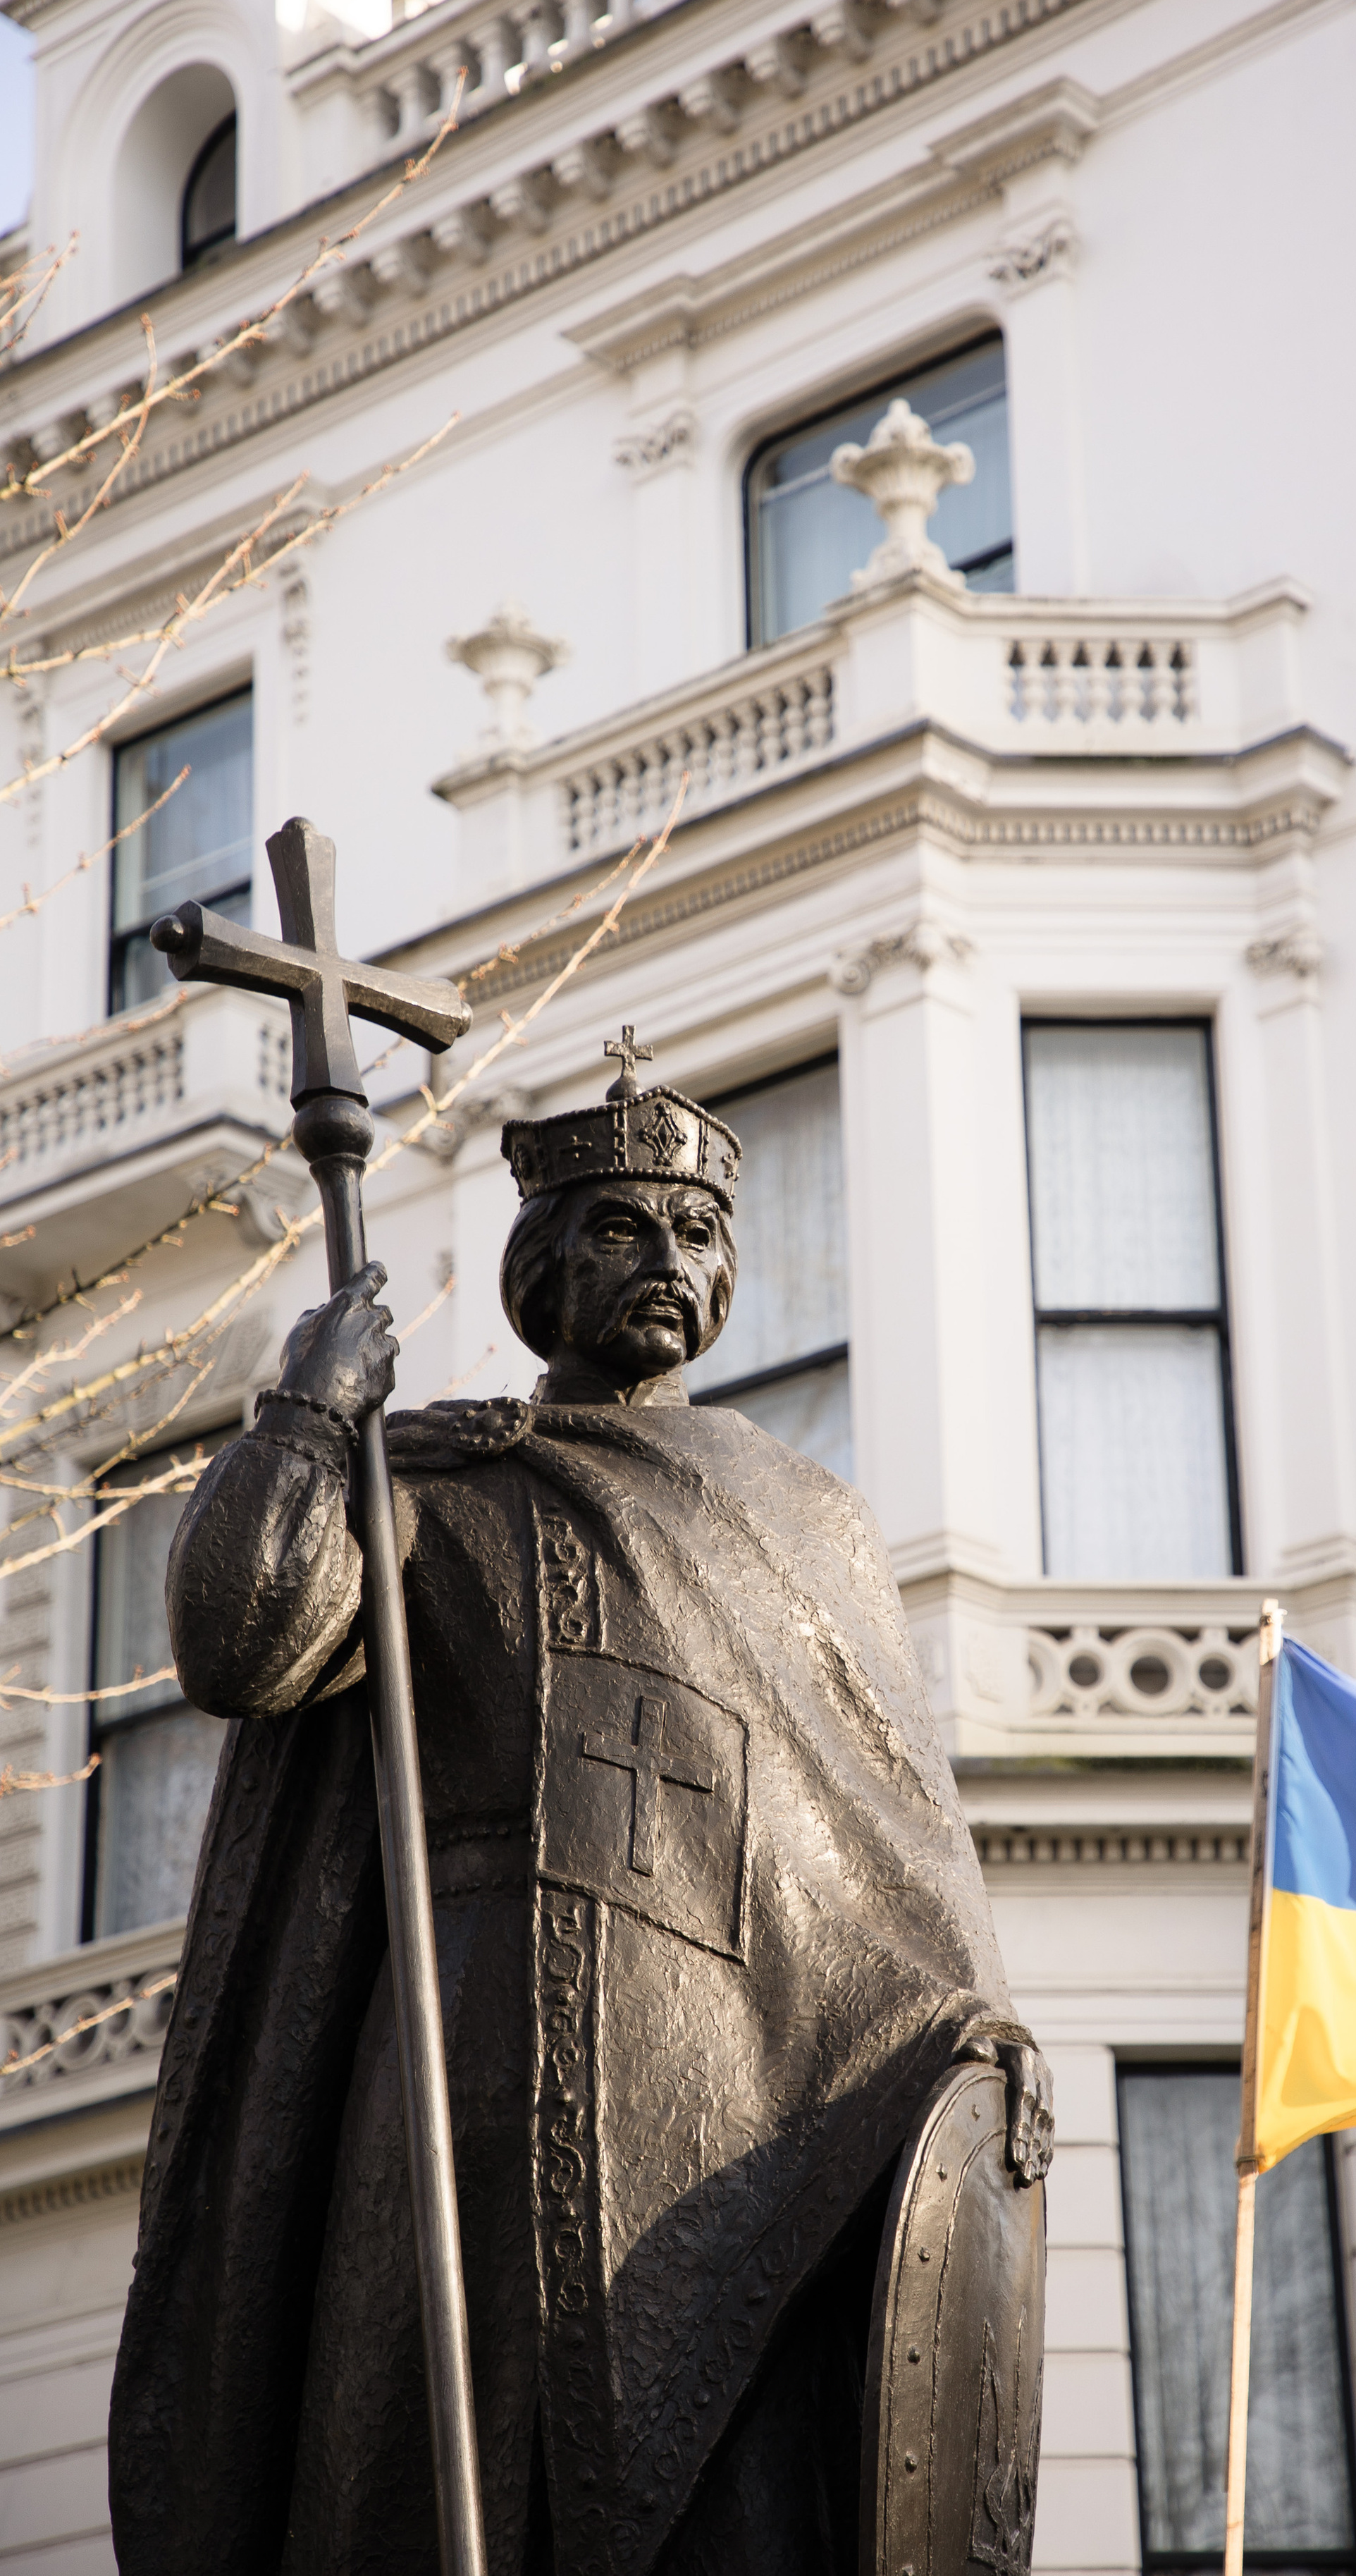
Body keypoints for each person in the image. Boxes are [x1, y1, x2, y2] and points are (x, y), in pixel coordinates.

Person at [109, 1054, 1052, 2576]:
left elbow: (887, 1838)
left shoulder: (809, 1524)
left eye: (694, 1234)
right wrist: (304, 1415)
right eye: (620, 1229)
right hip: (460, 2088)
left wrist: (979, 2030)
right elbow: (240, 1641)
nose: (666, 1263)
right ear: (540, 1268)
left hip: (740, 2133)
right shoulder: (438, 1482)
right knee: (416, 2492)